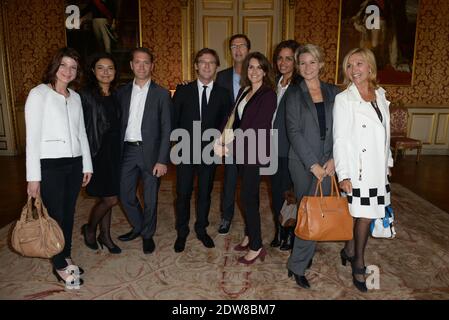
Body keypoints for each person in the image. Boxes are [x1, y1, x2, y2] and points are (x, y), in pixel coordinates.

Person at [25, 47, 93, 285]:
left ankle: (65, 254)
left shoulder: (75, 97)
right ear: (55, 66)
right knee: (55, 216)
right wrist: (33, 177)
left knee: (69, 213)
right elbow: (32, 138)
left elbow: (82, 133)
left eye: (73, 67)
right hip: (50, 166)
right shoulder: (39, 94)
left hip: (74, 164)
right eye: (63, 65)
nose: (68, 71)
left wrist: (87, 164)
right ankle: (59, 265)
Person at [333, 47, 393, 292]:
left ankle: (348, 249)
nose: (353, 70)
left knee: (364, 213)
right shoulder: (344, 99)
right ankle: (358, 262)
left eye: (358, 64)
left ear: (370, 66)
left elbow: (386, 133)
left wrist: (388, 163)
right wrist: (343, 173)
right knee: (365, 214)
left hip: (378, 168)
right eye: (349, 65)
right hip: (358, 170)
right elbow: (340, 139)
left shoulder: (380, 94)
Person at [285, 44, 340, 289]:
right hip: (302, 162)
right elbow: (294, 132)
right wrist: (312, 165)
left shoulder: (335, 92)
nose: (307, 67)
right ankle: (298, 265)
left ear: (321, 64)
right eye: (303, 63)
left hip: (329, 162)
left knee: (319, 211)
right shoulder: (293, 94)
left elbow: (342, 130)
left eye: (312, 62)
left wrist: (334, 159)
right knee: (307, 211)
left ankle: (300, 258)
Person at [172, 48, 232, 252]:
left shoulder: (224, 94)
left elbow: (228, 124)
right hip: (185, 151)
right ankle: (182, 231)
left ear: (216, 67)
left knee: (205, 193)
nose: (207, 66)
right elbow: (174, 121)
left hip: (210, 152)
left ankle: (201, 229)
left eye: (211, 62)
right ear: (196, 65)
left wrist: (224, 147)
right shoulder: (183, 91)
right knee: (183, 193)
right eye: (203, 62)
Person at [219, 52, 276, 264]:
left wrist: (230, 143)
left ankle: (256, 245)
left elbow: (258, 126)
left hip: (253, 151)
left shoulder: (268, 95)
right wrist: (220, 136)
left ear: (265, 71)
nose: (254, 71)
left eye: (258, 67)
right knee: (245, 195)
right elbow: (232, 117)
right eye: (250, 67)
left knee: (248, 198)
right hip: (240, 150)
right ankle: (249, 234)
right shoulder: (244, 90)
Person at [116, 47, 172, 254]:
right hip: (127, 151)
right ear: (131, 65)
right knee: (125, 194)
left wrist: (162, 160)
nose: (141, 66)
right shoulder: (121, 93)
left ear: (152, 66)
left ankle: (147, 234)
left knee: (150, 199)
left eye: (146, 62)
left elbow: (167, 129)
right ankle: (139, 226)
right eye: (137, 62)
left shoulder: (162, 94)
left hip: (151, 153)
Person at [80, 52, 121, 254]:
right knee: (110, 198)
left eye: (110, 68)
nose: (106, 72)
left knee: (108, 196)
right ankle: (90, 229)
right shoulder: (85, 95)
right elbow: (80, 127)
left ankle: (105, 235)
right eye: (101, 68)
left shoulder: (116, 94)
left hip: (115, 152)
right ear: (93, 71)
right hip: (97, 152)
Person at [215, 34, 251, 235]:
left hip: (251, 136)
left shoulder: (257, 73)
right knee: (229, 178)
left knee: (248, 180)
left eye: (242, 45)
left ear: (248, 49)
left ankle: (250, 217)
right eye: (233, 46)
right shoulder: (222, 76)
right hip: (229, 136)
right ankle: (226, 217)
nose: (237, 49)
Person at [270, 40, 302, 251]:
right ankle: (278, 230)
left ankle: (290, 233)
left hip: (290, 149)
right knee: (275, 192)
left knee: (289, 194)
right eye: (280, 58)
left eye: (288, 58)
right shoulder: (274, 82)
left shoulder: (300, 85)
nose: (283, 62)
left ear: (296, 61)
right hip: (271, 147)